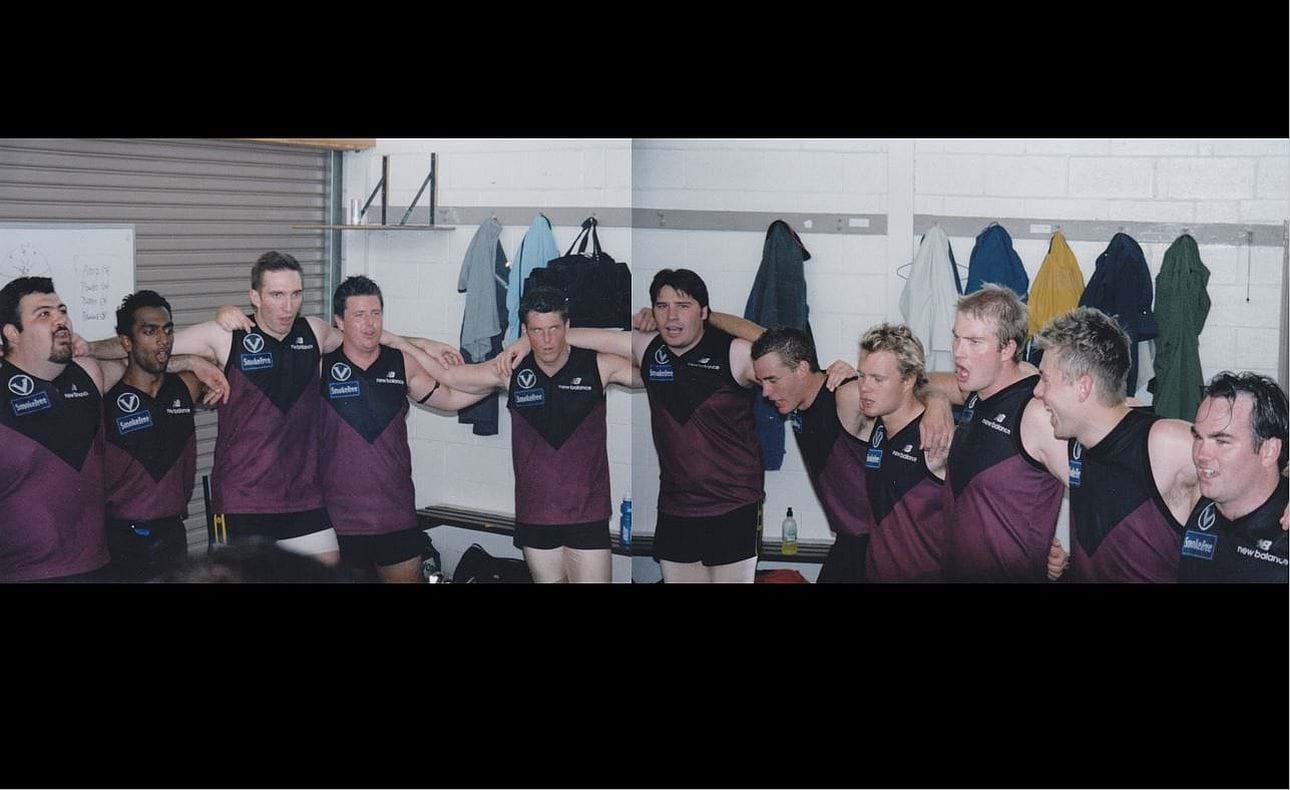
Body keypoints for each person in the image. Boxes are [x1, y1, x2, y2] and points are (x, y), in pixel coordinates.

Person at [89, 251, 458, 565]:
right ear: (255, 296)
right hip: (244, 502)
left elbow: (368, 337)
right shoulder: (225, 335)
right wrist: (84, 348)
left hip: (306, 500)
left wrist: (422, 342)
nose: (287, 306)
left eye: (295, 294)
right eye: (277, 295)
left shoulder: (313, 332)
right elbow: (144, 352)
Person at [501, 269, 762, 583]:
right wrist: (528, 340)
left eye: (683, 305)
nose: (672, 315)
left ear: (704, 311)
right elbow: (590, 336)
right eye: (662, 307)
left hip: (734, 507)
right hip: (676, 509)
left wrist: (711, 317)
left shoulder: (734, 353)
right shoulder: (648, 347)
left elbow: (774, 343)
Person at [1, 277, 224, 582]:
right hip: (24, 573)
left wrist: (192, 361)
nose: (60, 320)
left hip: (97, 566)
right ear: (12, 333)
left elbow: (139, 361)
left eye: (62, 311)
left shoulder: (89, 375)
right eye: (44, 314)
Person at [320, 276, 500, 583]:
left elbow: (453, 397)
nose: (369, 324)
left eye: (376, 313)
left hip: (395, 515)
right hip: (339, 521)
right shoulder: (320, 367)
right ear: (339, 321)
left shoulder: (400, 363)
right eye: (359, 315)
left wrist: (500, 379)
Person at [464, 286, 639, 582]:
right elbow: (449, 380)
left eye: (554, 329)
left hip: (587, 515)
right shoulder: (511, 370)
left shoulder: (598, 365)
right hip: (536, 515)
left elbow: (648, 363)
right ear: (525, 329)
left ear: (567, 326)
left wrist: (539, 339)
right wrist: (398, 342)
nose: (546, 339)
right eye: (537, 331)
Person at [1031, 307, 1200, 582]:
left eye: (1045, 380)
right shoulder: (1076, 442)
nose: (1037, 391)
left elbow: (1257, 464)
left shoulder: (1161, 442)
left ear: (1083, 387)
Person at [925, 285, 1070, 582]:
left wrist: (1072, 551)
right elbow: (919, 381)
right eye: (956, 337)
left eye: (975, 342)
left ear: (1008, 349)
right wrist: (936, 400)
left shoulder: (1036, 413)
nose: (959, 352)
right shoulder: (977, 392)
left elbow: (1098, 488)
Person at [102, 290, 225, 582]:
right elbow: (77, 356)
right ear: (125, 342)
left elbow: (223, 357)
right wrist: (188, 361)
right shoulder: (106, 395)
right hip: (121, 538)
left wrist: (192, 362)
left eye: (167, 330)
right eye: (150, 331)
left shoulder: (186, 387)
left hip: (172, 534)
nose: (163, 340)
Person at [1178, 372, 1288, 583]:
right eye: (1198, 437)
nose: (1201, 455)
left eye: (1222, 441)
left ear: (1269, 450)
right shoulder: (1194, 499)